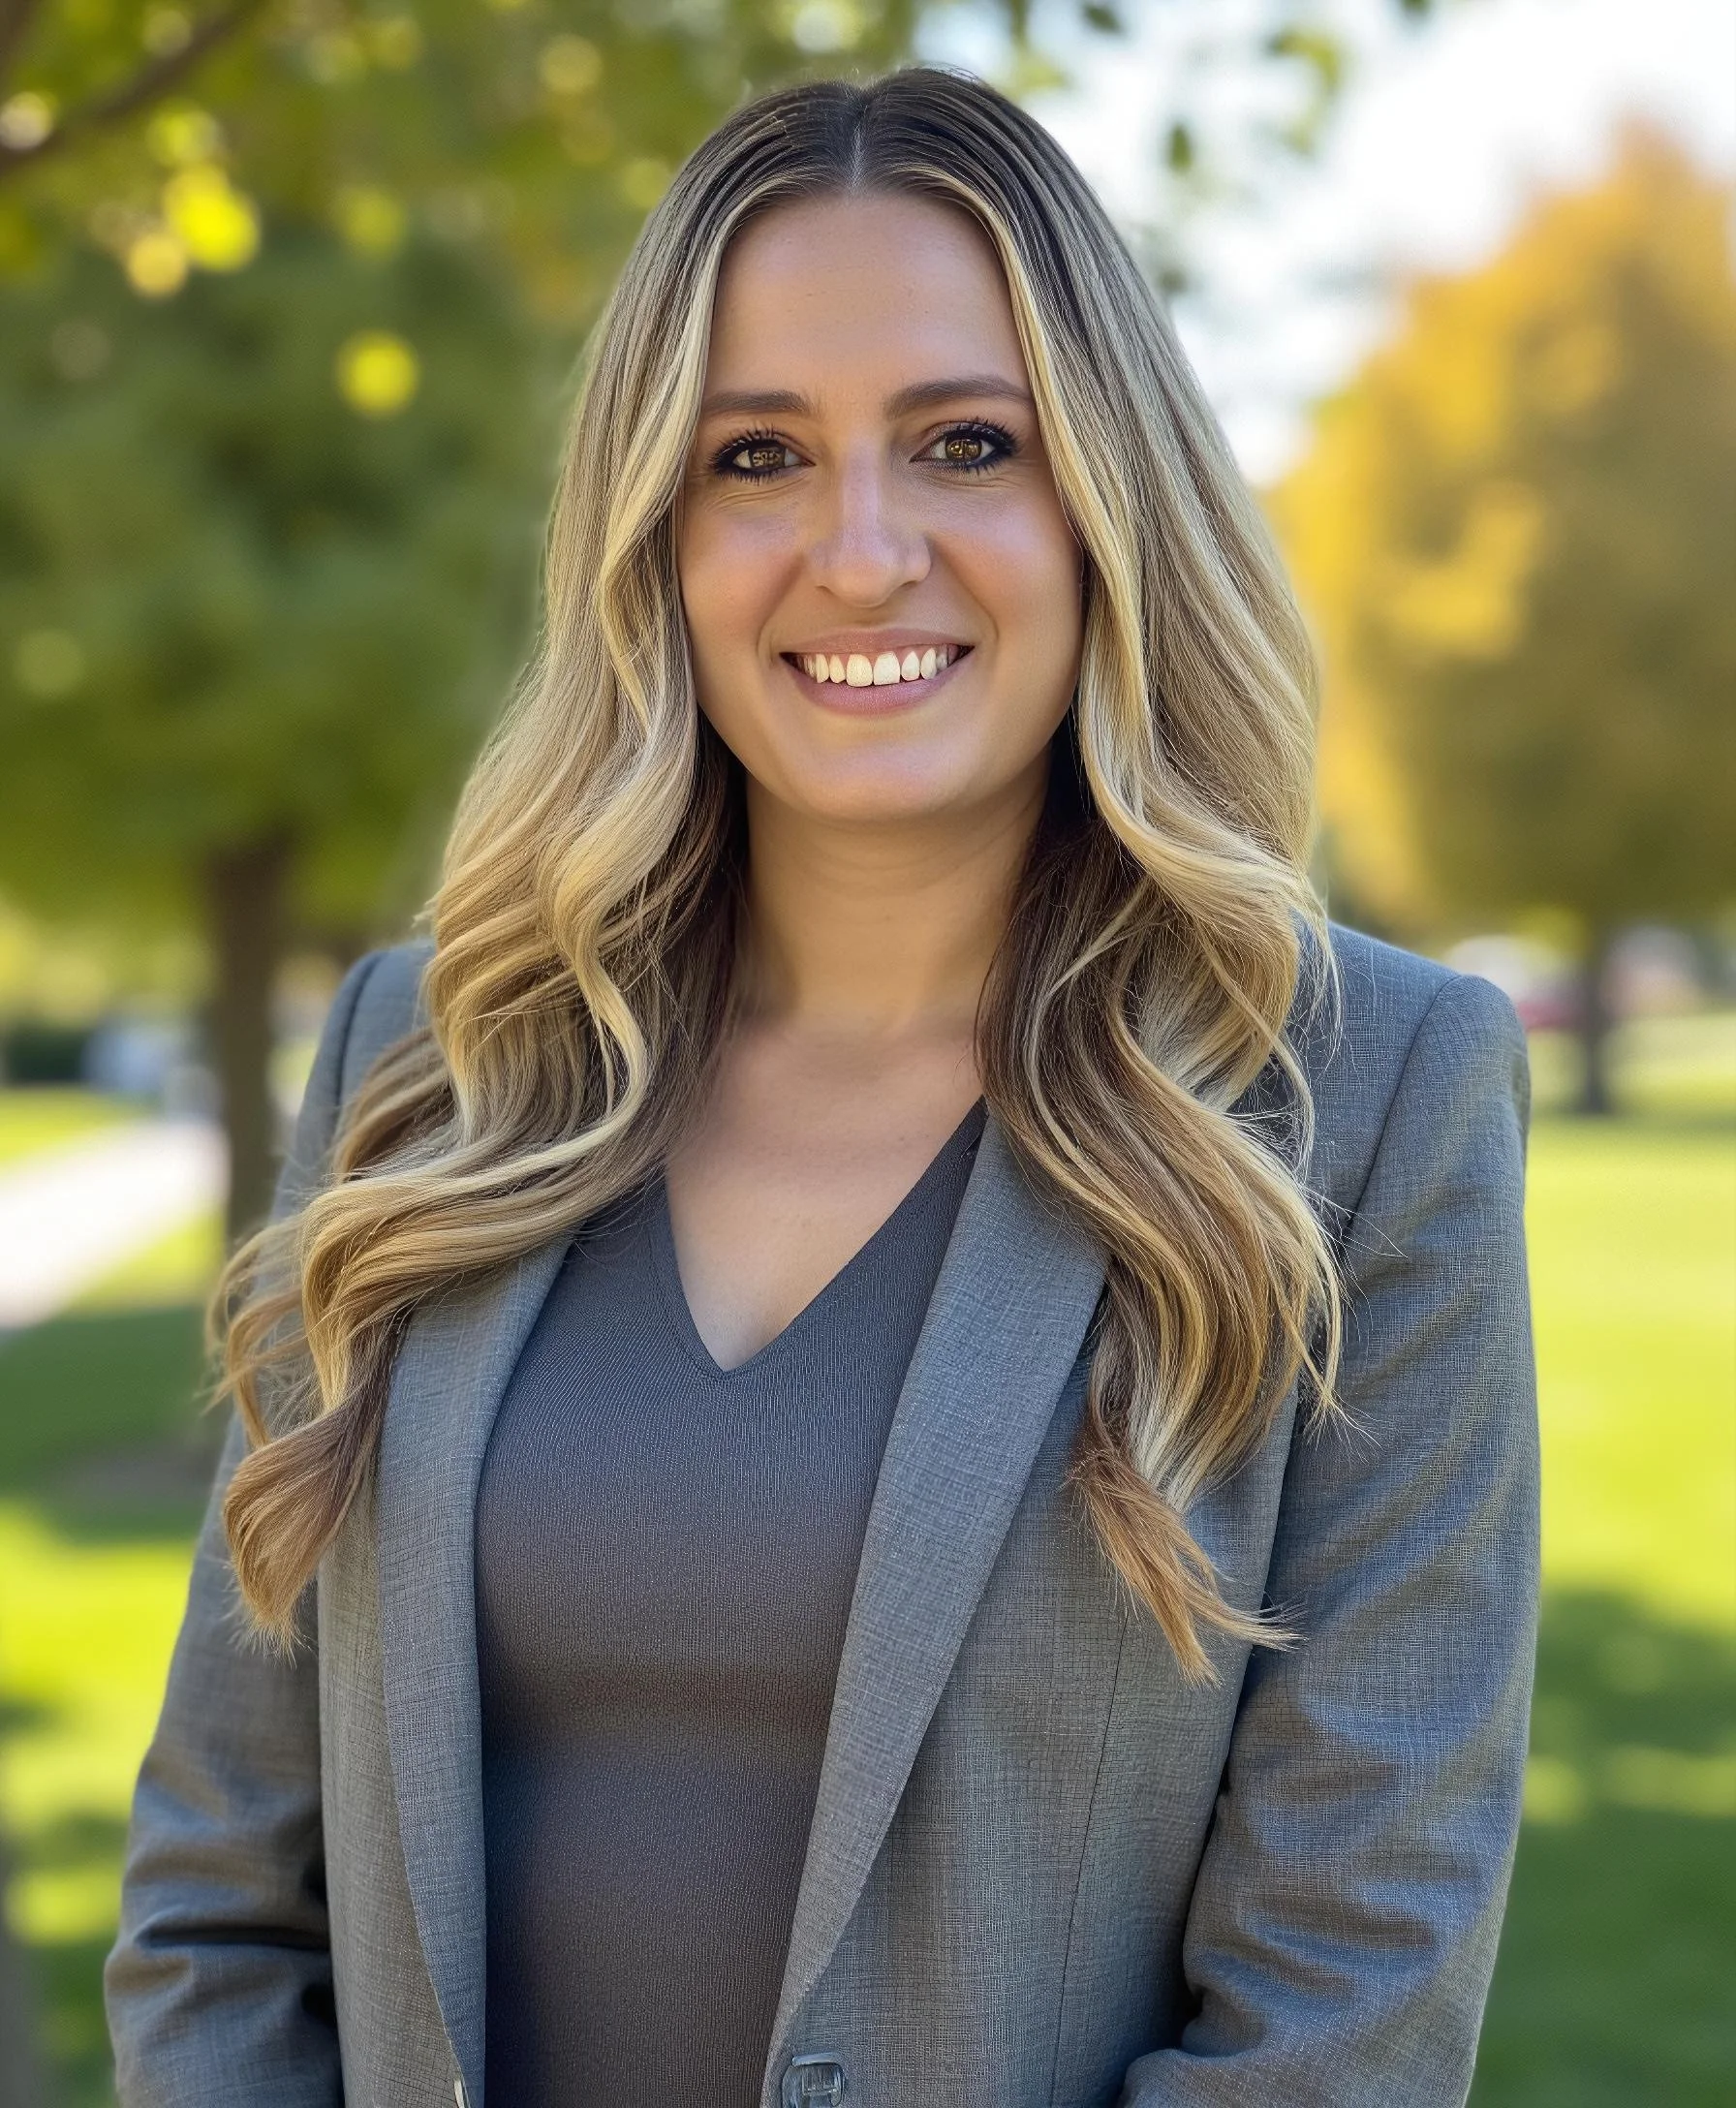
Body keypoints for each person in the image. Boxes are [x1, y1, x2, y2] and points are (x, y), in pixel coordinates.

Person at [104, 66, 1538, 2108]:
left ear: (1107, 503)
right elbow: (219, 1912)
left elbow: (1346, 2004)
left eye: (966, 444)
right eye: (755, 456)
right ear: (653, 532)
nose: (860, 555)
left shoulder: (1364, 1102)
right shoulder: (428, 1071)